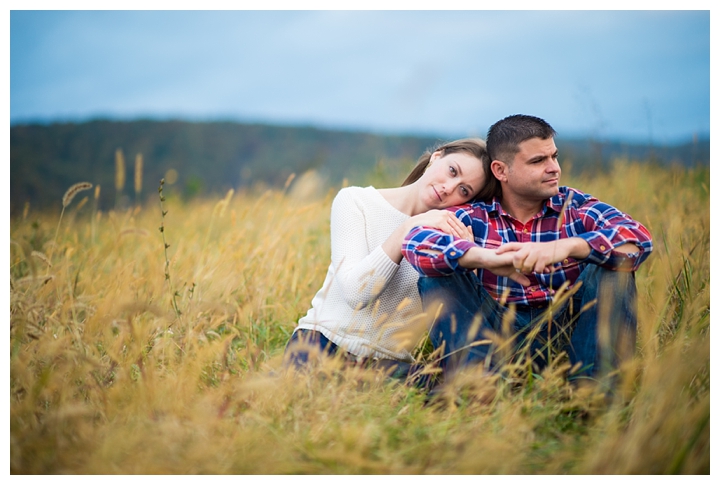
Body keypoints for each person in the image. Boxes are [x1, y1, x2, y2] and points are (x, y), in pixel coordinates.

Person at [401, 115, 653, 391]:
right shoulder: (473, 216)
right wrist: (487, 258)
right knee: (438, 275)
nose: (554, 169)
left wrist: (569, 246)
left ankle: (593, 391)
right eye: (538, 161)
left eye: (553, 157)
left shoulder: (575, 207)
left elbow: (637, 237)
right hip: (497, 335)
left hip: (571, 335)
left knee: (612, 265)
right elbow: (417, 244)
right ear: (501, 170)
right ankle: (477, 386)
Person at [283, 138, 491, 379]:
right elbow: (356, 293)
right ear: (437, 157)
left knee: (456, 391)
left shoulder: (448, 240)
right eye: (452, 171)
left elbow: (464, 324)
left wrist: (469, 262)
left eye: (464, 190)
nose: (449, 187)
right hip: (321, 345)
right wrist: (406, 229)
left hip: (389, 366)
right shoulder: (356, 202)